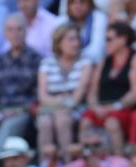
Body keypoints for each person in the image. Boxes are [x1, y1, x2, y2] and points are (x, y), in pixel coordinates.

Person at [0, 13, 42, 151]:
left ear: (26, 31)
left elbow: (38, 94)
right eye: (10, 29)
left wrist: (19, 110)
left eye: (19, 29)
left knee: (7, 128)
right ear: (5, 33)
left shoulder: (36, 60)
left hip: (23, 112)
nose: (14, 33)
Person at [81, 21, 136, 155]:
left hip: (124, 108)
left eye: (109, 39)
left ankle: (119, 160)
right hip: (102, 108)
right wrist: (95, 107)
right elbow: (93, 90)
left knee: (112, 123)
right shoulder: (105, 61)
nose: (106, 43)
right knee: (85, 121)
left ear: (123, 39)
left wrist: (114, 106)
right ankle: (87, 162)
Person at [36, 23, 94, 156]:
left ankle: (67, 166)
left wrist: (59, 101)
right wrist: (62, 101)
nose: (76, 43)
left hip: (77, 109)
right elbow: (42, 96)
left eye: (77, 39)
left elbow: (77, 97)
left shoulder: (86, 62)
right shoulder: (47, 63)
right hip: (50, 109)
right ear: (59, 42)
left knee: (62, 119)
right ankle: (46, 166)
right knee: (45, 123)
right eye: (71, 39)